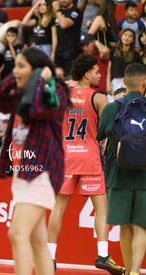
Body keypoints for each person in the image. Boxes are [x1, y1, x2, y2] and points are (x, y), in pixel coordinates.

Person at [0, 47, 69, 275]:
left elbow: (38, 110)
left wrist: (39, 79)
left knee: (17, 233)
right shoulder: (21, 93)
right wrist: (15, 77)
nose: (16, 71)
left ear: (39, 70)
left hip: (42, 172)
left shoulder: (55, 91)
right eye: (15, 66)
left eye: (21, 66)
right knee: (37, 241)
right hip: (23, 172)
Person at [47, 54, 125, 274]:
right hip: (90, 157)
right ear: (87, 73)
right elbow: (109, 132)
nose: (100, 74)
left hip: (66, 157)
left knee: (58, 208)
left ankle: (50, 257)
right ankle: (102, 254)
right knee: (102, 208)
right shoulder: (99, 98)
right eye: (97, 71)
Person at [96, 63, 146, 275]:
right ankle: (135, 270)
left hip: (118, 175)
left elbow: (100, 136)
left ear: (124, 83)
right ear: (145, 83)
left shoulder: (111, 108)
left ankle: (127, 271)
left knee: (124, 225)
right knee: (141, 226)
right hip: (144, 178)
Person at [52, 0, 82, 75]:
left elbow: (64, 24)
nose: (63, 0)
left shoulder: (75, 11)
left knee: (71, 78)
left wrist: (57, 10)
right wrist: (53, 52)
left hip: (71, 51)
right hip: (59, 51)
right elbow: (55, 34)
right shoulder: (59, 13)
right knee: (59, 78)